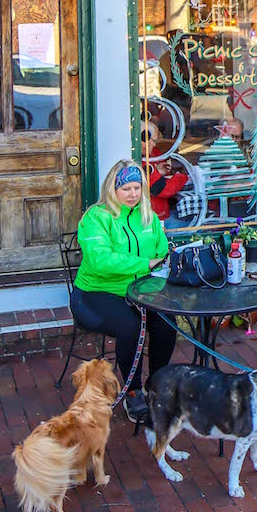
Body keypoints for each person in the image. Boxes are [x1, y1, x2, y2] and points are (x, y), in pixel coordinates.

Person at [70, 159, 179, 421]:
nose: (132, 194)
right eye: (125, 189)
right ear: (112, 189)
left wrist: (166, 260)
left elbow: (161, 252)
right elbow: (100, 260)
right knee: (130, 326)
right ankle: (133, 393)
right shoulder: (97, 217)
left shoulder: (149, 217)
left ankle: (156, 384)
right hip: (97, 292)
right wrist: (146, 263)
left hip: (140, 291)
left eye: (137, 188)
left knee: (166, 321)